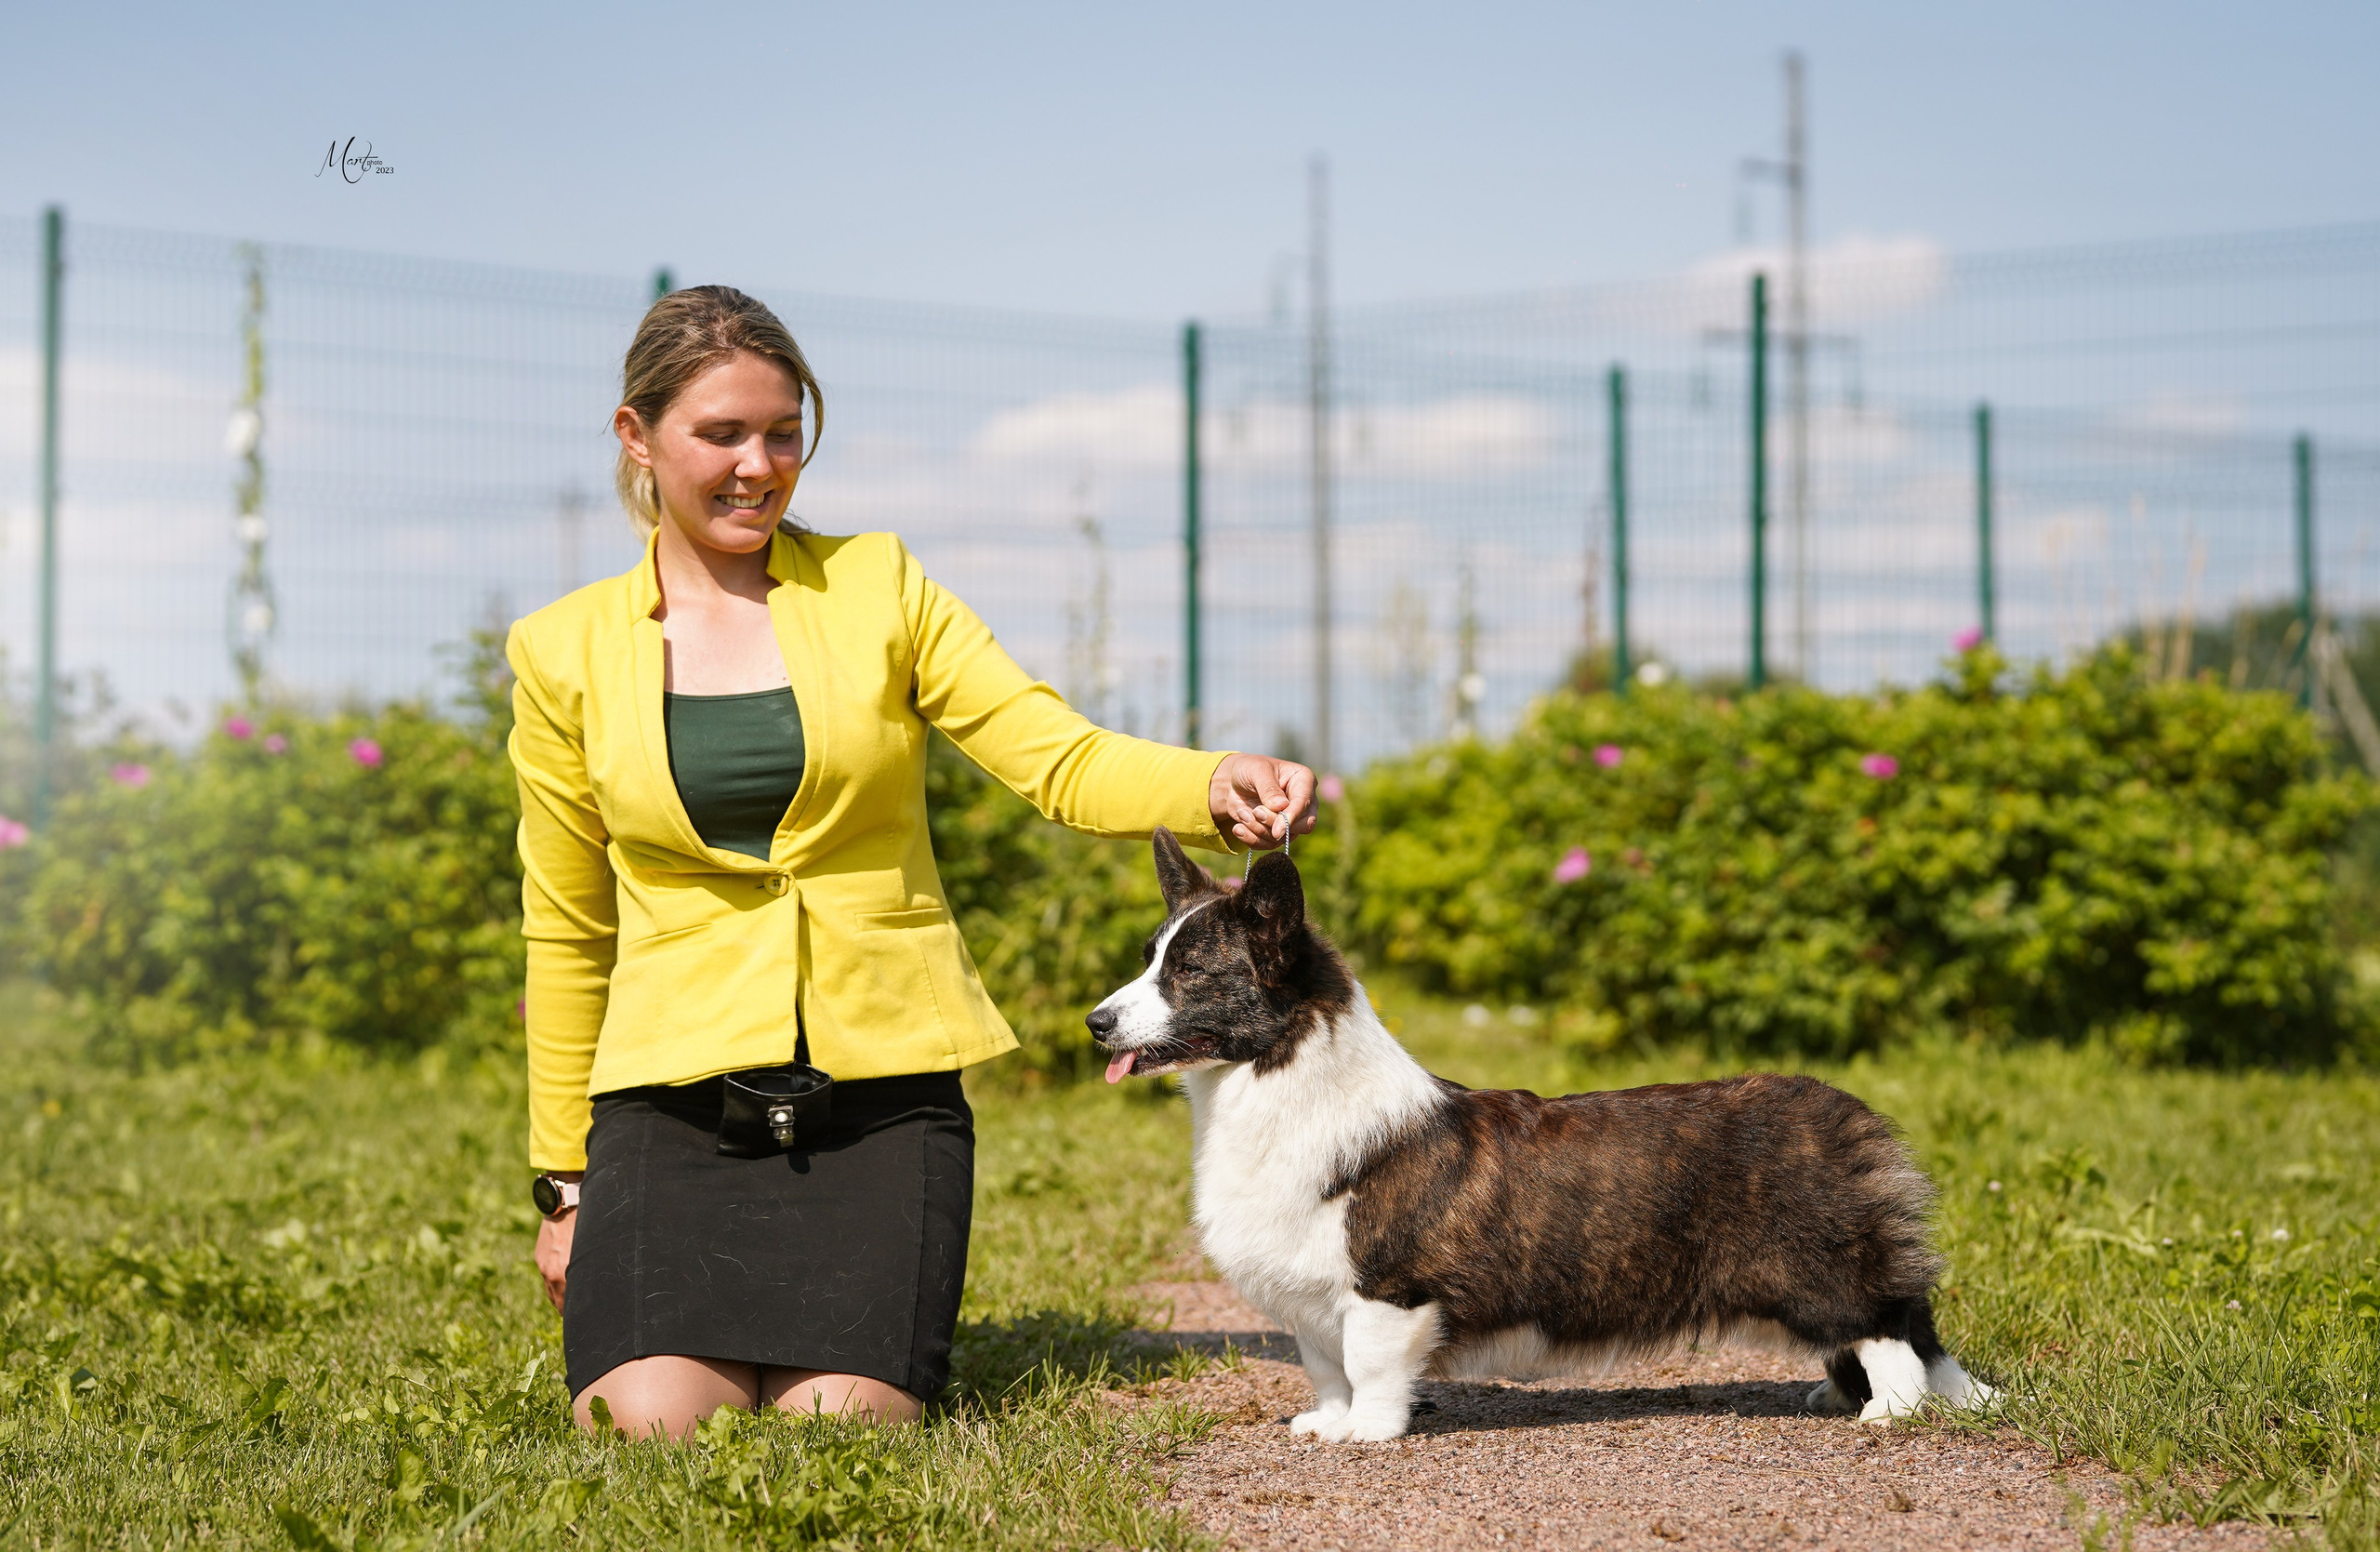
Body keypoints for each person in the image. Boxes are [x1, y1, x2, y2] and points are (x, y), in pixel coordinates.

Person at [508, 285, 1315, 1439]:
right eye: (721, 434)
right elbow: (569, 925)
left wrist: (1212, 779)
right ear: (637, 436)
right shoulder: (560, 650)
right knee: (649, 1421)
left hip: (879, 1097)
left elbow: (1056, 757)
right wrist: (564, 1183)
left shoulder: (878, 586)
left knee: (842, 1418)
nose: (760, 465)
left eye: (784, 431)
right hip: (667, 1104)